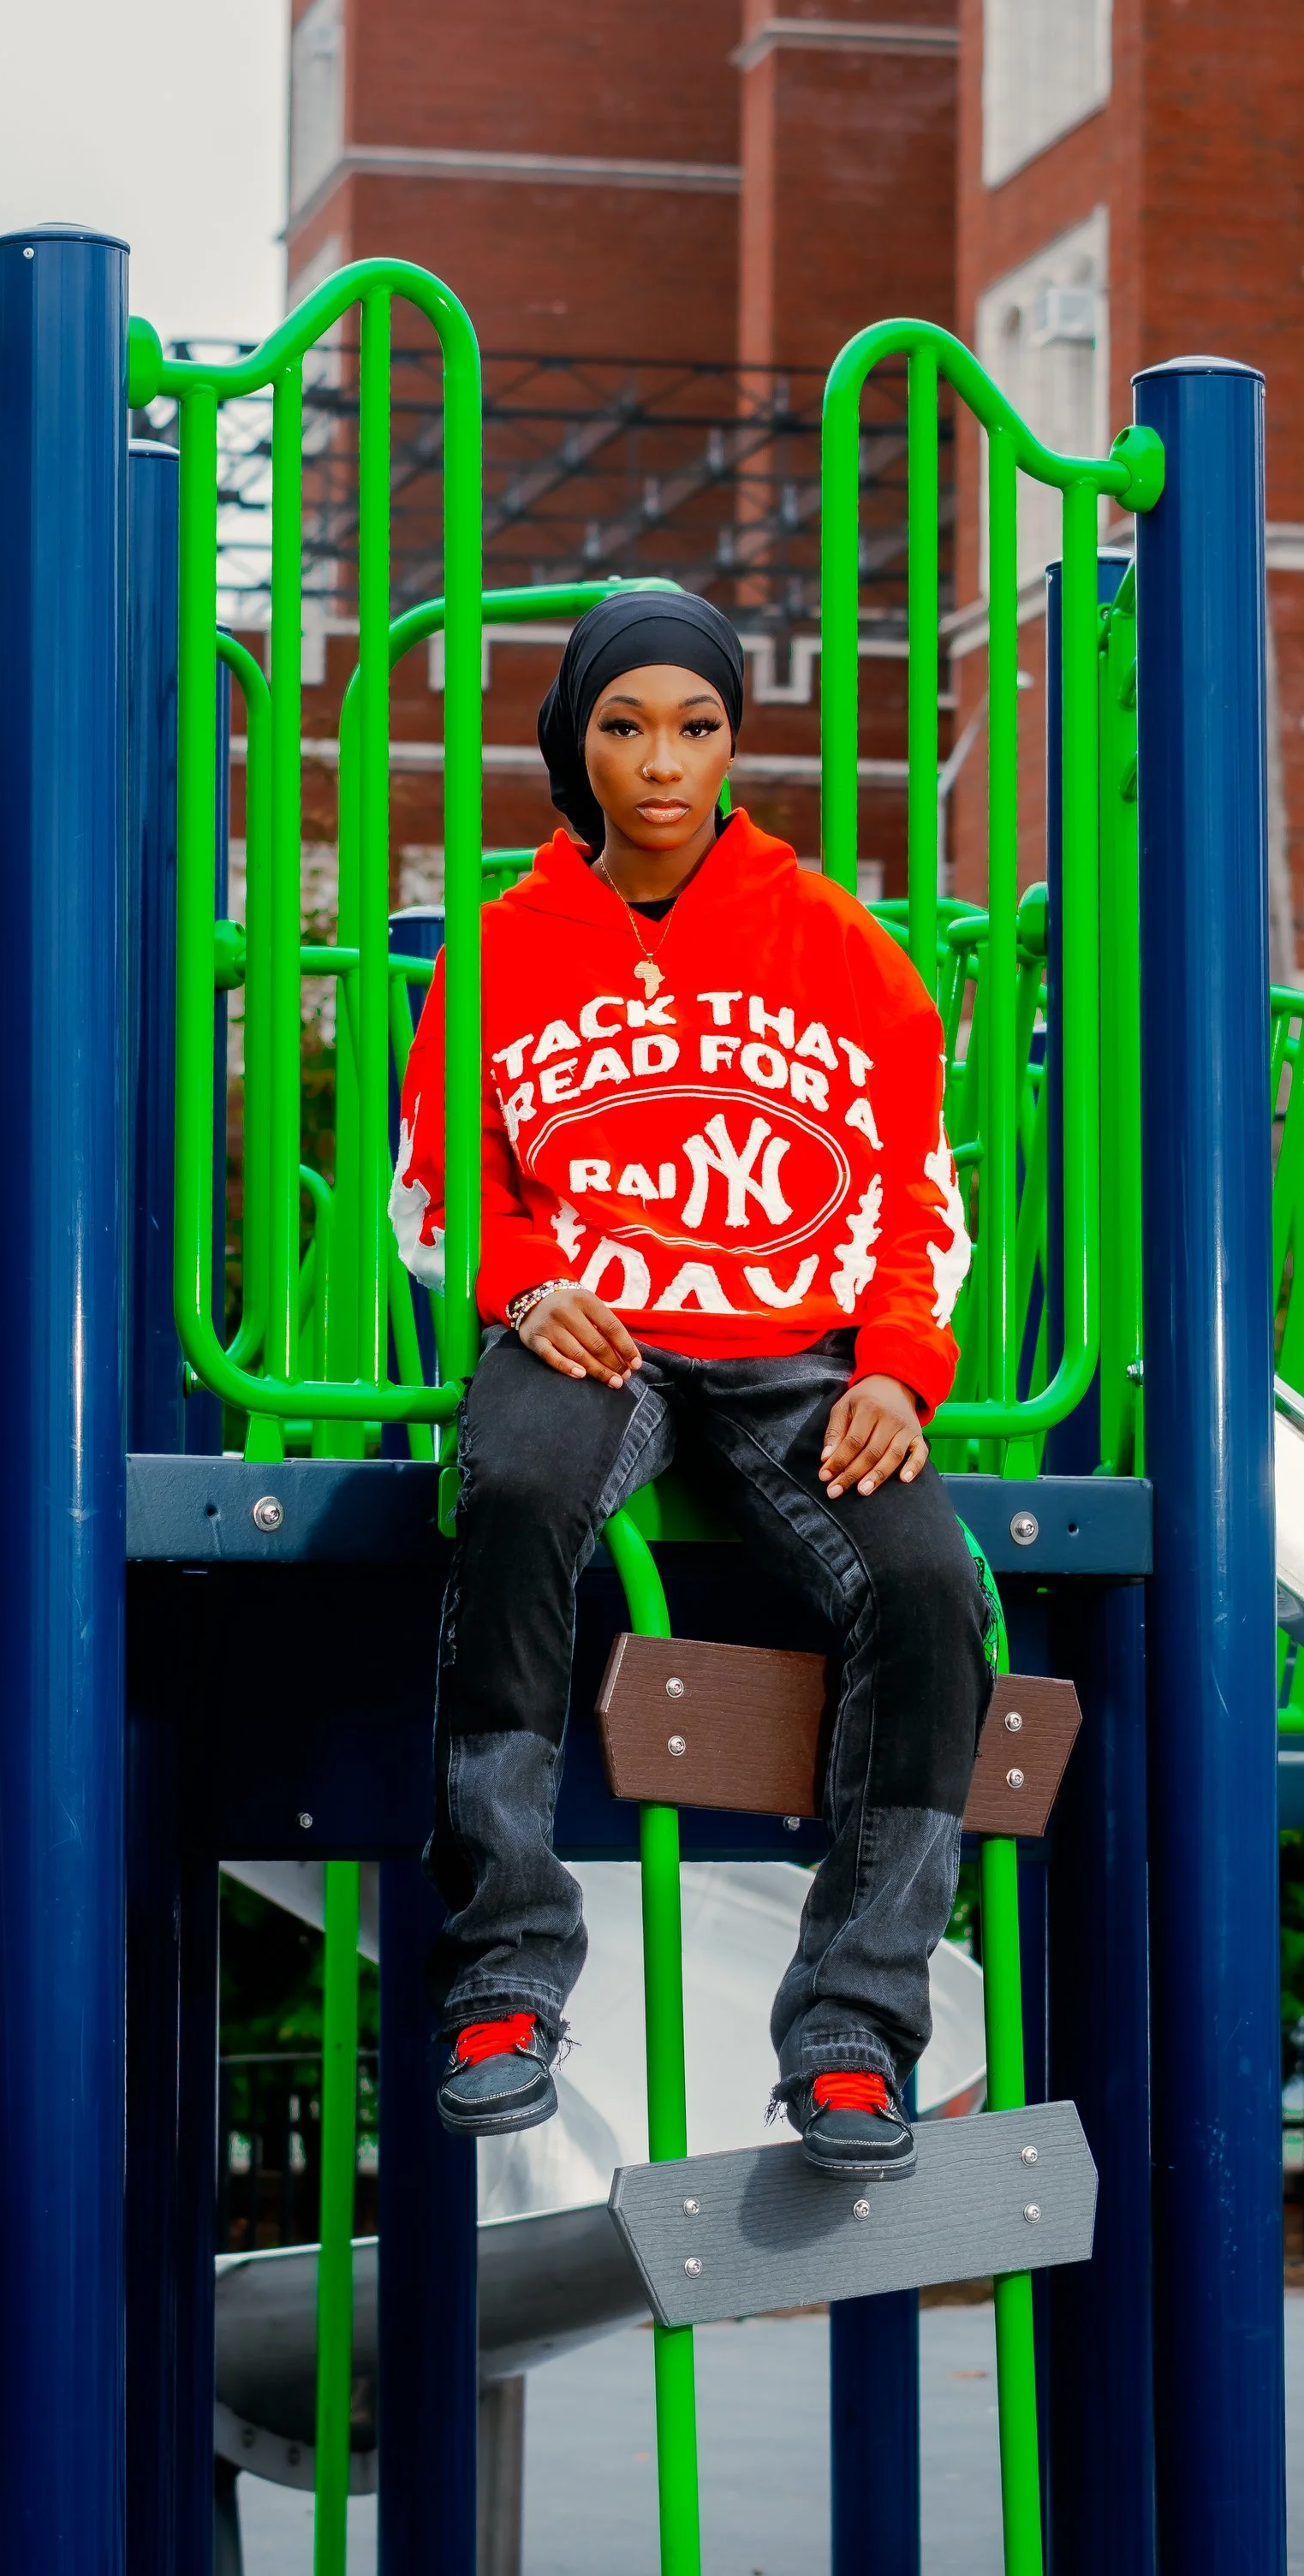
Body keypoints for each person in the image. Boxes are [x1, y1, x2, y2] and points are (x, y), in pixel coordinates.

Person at [390, 586, 990, 2180]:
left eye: (697, 725)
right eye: (625, 725)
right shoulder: (503, 952)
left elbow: (917, 1195)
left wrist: (899, 1372)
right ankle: (510, 1971)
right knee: (511, 1488)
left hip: (801, 1359)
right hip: (604, 1335)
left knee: (932, 1589)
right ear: (576, 744)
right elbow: (442, 1180)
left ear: (735, 742)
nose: (663, 761)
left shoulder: (843, 951)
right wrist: (528, 1290)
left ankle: (857, 2023)